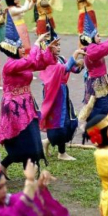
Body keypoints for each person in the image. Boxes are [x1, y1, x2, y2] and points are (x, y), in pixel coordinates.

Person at [0, 19, 57, 172]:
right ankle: (8, 167)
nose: (23, 49)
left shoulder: (22, 61)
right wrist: (36, 44)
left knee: (31, 138)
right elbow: (30, 60)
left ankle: (21, 171)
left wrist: (49, 51)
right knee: (22, 140)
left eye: (23, 46)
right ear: (12, 49)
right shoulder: (10, 65)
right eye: (20, 47)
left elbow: (39, 64)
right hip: (14, 108)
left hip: (27, 104)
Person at [39, 24, 83, 161]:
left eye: (59, 45)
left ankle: (46, 142)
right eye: (55, 45)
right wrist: (75, 55)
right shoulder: (47, 62)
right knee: (58, 121)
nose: (58, 47)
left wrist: (81, 63)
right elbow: (63, 69)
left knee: (66, 119)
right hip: (54, 94)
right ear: (48, 47)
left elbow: (72, 69)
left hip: (63, 92)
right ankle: (61, 152)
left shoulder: (60, 58)